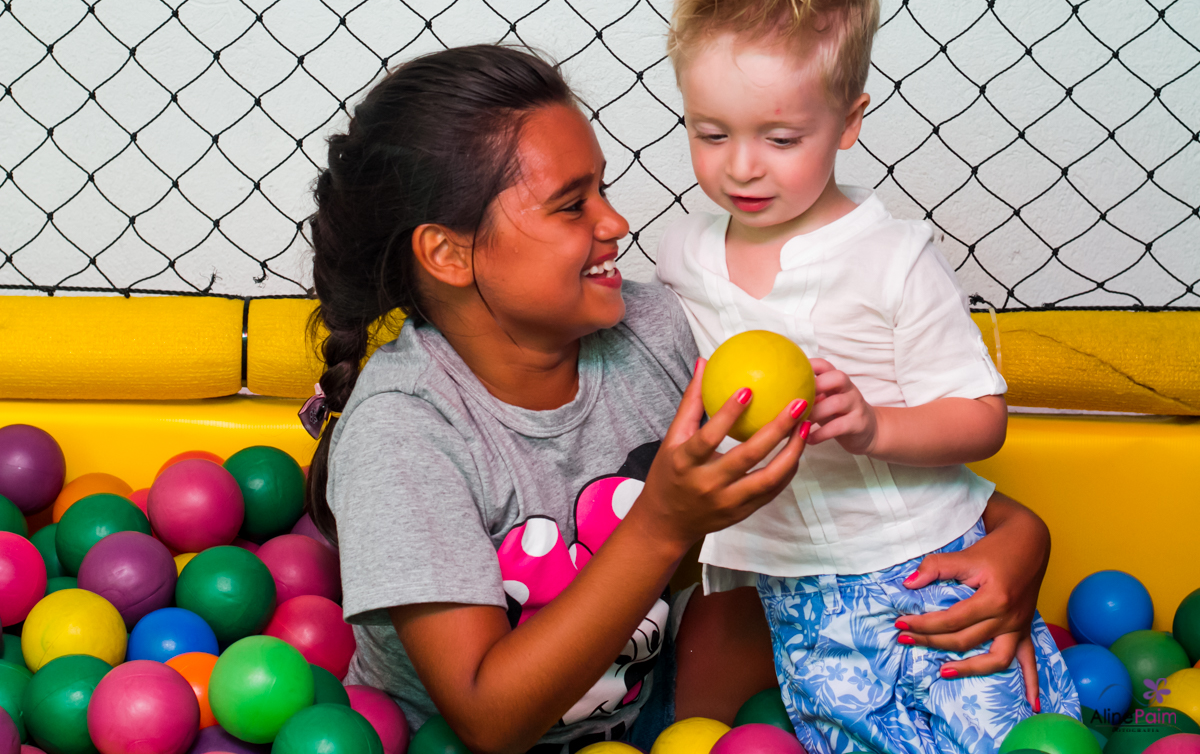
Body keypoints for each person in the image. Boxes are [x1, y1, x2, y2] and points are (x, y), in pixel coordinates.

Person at [303, 44, 1061, 753]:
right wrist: (663, 522)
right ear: (448, 252)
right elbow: (487, 720)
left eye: (603, 187)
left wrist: (1014, 531)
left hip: (657, 713)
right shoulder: (401, 431)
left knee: (823, 604)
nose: (616, 223)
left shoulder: (655, 330)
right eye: (572, 206)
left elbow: (827, 457)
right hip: (450, 740)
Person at [655, 0, 1079, 752]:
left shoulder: (891, 259)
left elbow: (982, 417)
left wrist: (874, 424)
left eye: (781, 138)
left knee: (987, 730)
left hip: (918, 564)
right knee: (843, 734)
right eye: (710, 133)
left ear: (849, 123)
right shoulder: (684, 253)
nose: (741, 165)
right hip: (791, 585)